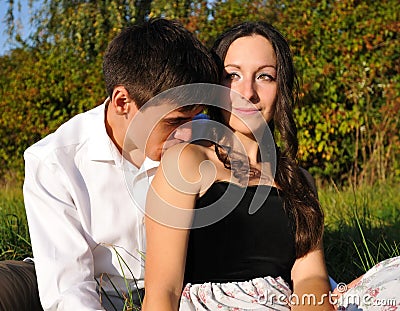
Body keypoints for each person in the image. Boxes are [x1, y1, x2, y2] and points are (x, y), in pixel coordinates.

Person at [0, 18, 219, 311]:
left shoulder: (209, 139)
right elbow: (69, 290)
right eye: (175, 121)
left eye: (195, 117)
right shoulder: (54, 161)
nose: (189, 131)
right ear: (122, 101)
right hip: (80, 286)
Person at [142, 21, 334, 310]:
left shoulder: (299, 180)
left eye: (265, 77)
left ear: (282, 88)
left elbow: (311, 277)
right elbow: (163, 290)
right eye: (232, 75)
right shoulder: (187, 163)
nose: (248, 92)